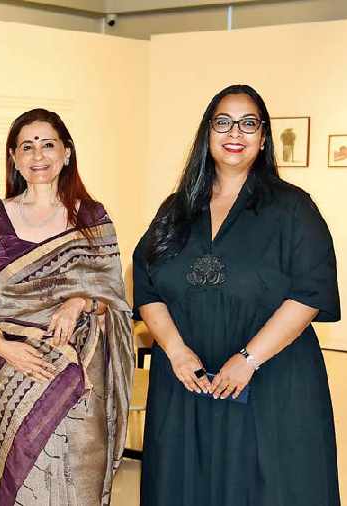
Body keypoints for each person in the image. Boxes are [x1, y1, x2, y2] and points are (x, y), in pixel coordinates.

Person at [133, 84, 340, 505]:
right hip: (186, 384)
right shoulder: (176, 210)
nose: (235, 133)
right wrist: (174, 350)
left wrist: (248, 360)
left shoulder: (292, 209)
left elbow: (309, 293)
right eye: (223, 122)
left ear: (263, 137)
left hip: (270, 383)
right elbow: (146, 285)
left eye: (248, 123)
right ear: (207, 133)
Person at [0, 108, 134, 506]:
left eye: (47, 145)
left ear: (67, 153)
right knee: (18, 479)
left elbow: (115, 300)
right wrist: (0, 344)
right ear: (14, 157)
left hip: (81, 367)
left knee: (78, 480)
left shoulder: (93, 217)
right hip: (12, 364)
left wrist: (80, 301)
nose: (38, 156)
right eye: (27, 146)